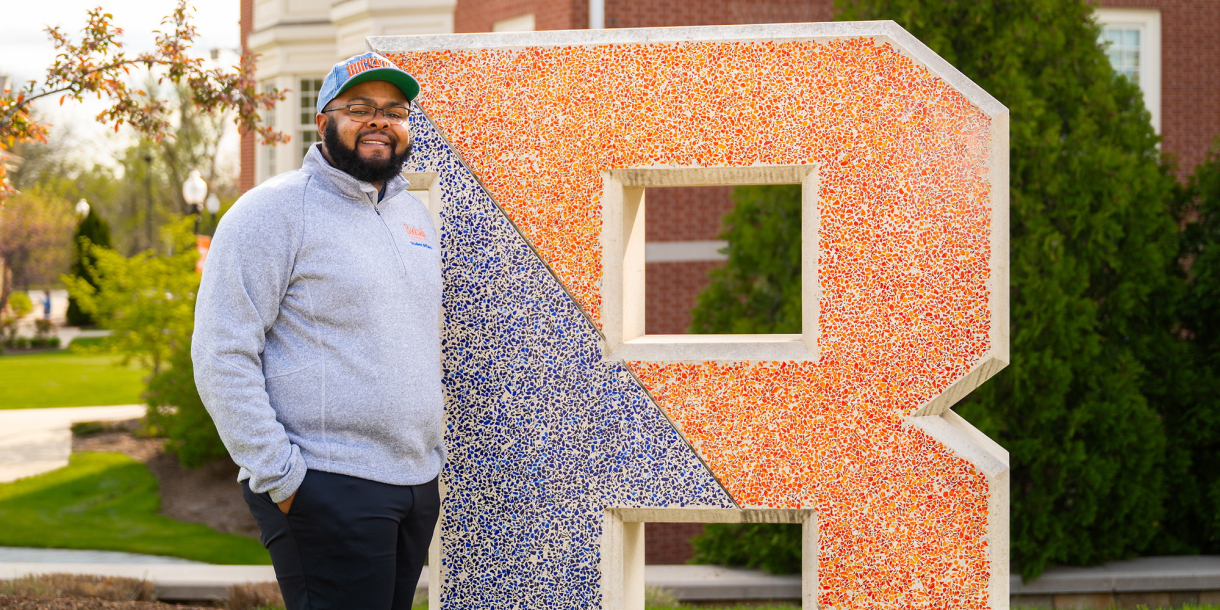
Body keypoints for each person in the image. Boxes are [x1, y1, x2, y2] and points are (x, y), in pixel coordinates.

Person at [192, 52, 442, 610]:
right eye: (359, 107)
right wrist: (282, 478)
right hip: (327, 480)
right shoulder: (270, 213)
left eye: (394, 110)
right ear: (322, 119)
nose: (379, 120)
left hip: (414, 481)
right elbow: (221, 353)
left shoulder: (414, 218)